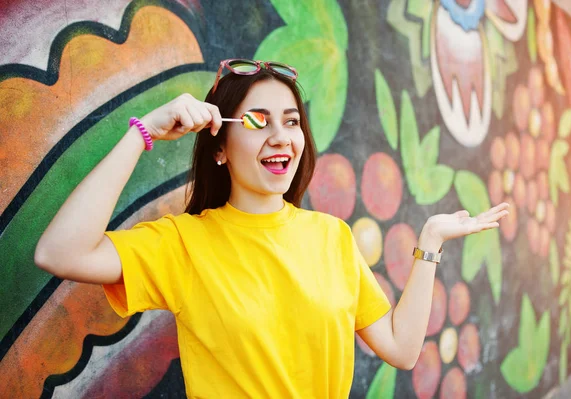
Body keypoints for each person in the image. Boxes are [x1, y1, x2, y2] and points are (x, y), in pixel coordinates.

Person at [34, 59, 509, 398]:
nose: (281, 136)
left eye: (291, 122)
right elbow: (59, 252)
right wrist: (144, 133)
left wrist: (430, 242)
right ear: (219, 147)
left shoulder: (332, 237)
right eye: (259, 121)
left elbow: (402, 350)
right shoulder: (183, 243)